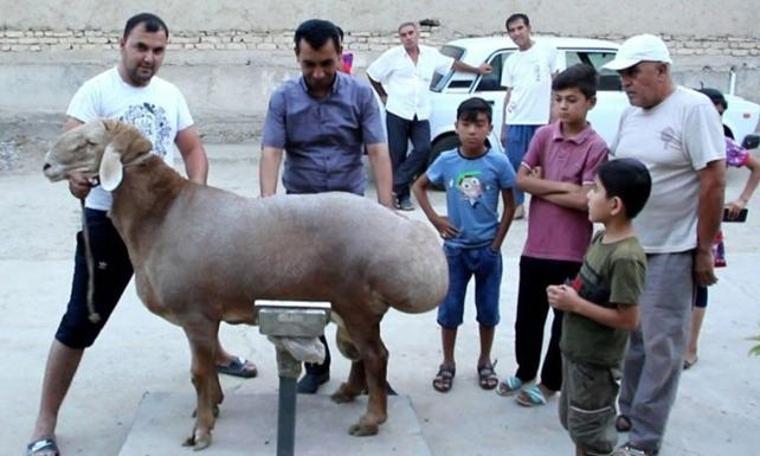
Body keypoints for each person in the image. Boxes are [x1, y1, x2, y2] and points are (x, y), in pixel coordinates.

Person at [26, 13, 257, 456]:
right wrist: (78, 179)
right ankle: (44, 423)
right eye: (141, 48)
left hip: (170, 224)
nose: (149, 58)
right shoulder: (96, 92)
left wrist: (198, 200)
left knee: (197, 299)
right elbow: (71, 149)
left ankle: (220, 358)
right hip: (108, 225)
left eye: (158, 50)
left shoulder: (169, 94)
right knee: (82, 318)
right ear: (123, 45)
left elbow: (192, 149)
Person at [603, 34, 726, 456]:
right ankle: (629, 411)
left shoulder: (694, 109)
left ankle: (645, 438)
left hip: (673, 248)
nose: (626, 83)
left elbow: (713, 181)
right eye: (621, 75)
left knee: (661, 346)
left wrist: (704, 248)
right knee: (633, 337)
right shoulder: (630, 116)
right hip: (632, 247)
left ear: (662, 69)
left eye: (633, 73)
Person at [259, 19, 393, 394]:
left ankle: (367, 371)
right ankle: (317, 368)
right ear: (297, 58)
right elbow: (271, 153)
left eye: (326, 64)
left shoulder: (361, 96)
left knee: (362, 293)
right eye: (309, 65)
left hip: (350, 211)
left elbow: (379, 151)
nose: (318, 73)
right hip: (301, 212)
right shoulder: (283, 98)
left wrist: (386, 207)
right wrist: (267, 206)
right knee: (305, 292)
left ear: (340, 55)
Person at [496, 64, 608, 407]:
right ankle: (525, 369)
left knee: (563, 323)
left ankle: (548, 383)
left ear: (590, 102)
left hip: (571, 251)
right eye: (557, 99)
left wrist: (542, 187)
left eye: (571, 100)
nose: (563, 106)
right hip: (535, 247)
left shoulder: (596, 146)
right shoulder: (544, 135)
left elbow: (585, 201)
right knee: (527, 318)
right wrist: (563, 186)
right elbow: (520, 180)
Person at [412, 97, 516, 393]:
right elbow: (418, 186)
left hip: (487, 250)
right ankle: (447, 363)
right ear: (456, 127)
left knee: (488, 310)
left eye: (479, 125)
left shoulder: (498, 162)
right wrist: (436, 220)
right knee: (449, 310)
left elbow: (510, 206)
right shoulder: (447, 161)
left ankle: (485, 361)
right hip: (455, 251)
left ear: (489, 128)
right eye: (466, 124)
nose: (472, 131)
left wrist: (496, 245)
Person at [548, 158, 651, 456]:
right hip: (576, 354)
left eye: (595, 190)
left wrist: (576, 304)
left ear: (615, 204)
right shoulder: (601, 238)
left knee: (592, 434)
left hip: (595, 364)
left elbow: (629, 319)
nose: (589, 196)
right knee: (578, 425)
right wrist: (567, 294)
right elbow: (588, 290)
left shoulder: (626, 257)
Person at [367, 21, 491, 211]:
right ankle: (403, 197)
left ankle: (395, 185)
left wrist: (476, 70)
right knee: (397, 155)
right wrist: (383, 95)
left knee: (423, 149)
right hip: (397, 111)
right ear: (400, 38)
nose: (408, 37)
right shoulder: (392, 56)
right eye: (403, 35)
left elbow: (453, 65)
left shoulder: (430, 55)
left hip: (421, 112)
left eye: (410, 33)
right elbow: (372, 74)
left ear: (417, 34)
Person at [683, 88, 760, 369]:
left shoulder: (722, 143)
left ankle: (690, 348)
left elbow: (756, 166)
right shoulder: (681, 136)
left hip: (705, 221)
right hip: (674, 220)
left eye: (717, 114)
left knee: (699, 283)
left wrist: (742, 199)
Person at [500, 13, 558, 219]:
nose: (516, 34)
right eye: (512, 31)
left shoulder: (547, 52)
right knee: (515, 165)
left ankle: (547, 202)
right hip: (517, 120)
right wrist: (504, 126)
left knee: (545, 165)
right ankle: (517, 205)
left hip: (541, 120)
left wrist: (554, 117)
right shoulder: (511, 61)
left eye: (519, 28)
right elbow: (508, 94)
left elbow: (556, 86)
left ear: (529, 28)